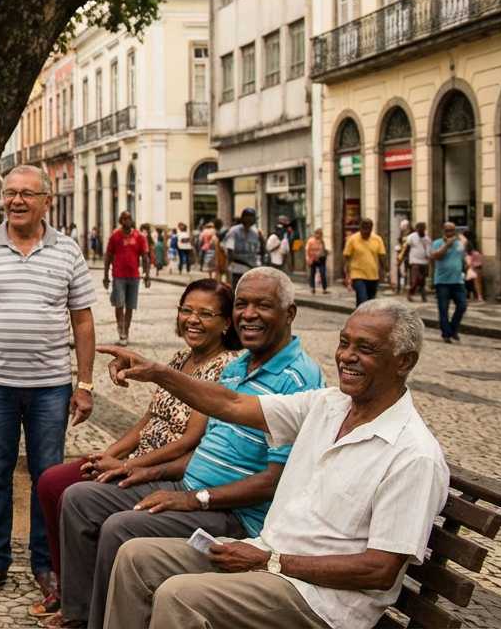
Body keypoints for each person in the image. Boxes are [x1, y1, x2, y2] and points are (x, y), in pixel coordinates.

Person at [103, 300, 447, 629]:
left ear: (404, 362)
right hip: (267, 558)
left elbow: (379, 570)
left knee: (180, 596)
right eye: (344, 343)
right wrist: (158, 373)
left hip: (321, 600)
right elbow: (234, 404)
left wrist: (272, 562)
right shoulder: (329, 404)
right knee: (136, 557)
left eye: (366, 348)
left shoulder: (413, 454)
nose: (347, 356)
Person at [52, 267, 323, 629]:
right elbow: (204, 448)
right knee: (80, 498)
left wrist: (195, 499)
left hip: (236, 513)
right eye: (242, 304)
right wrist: (144, 470)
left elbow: (276, 480)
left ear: (289, 314)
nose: (248, 314)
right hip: (190, 488)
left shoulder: (299, 380)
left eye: (263, 305)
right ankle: (82, 615)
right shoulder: (238, 366)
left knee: (121, 528)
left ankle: (105, 622)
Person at [31, 279, 241, 618]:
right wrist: (109, 455)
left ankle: (82, 607)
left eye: (205, 313)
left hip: (167, 468)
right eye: (186, 310)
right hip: (137, 456)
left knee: (81, 499)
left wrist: (130, 465)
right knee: (52, 482)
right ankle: (69, 586)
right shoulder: (179, 358)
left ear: (226, 322)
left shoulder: (226, 367)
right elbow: (147, 419)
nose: (193, 319)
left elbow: (190, 440)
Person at [0, 164, 95, 603]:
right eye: (10, 192)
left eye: (27, 194)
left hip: (51, 386)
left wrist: (84, 383)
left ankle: (45, 562)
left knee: (46, 476)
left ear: (46, 201)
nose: (16, 201)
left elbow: (83, 320)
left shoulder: (68, 252)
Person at [102, 210, 150, 346]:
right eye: (124, 218)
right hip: (118, 276)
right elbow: (108, 257)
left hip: (134, 276)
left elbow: (145, 256)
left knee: (130, 306)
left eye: (128, 218)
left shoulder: (139, 237)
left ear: (131, 220)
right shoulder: (115, 237)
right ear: (120, 221)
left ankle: (126, 332)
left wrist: (147, 275)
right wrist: (105, 276)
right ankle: (120, 330)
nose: (126, 221)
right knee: (119, 304)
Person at [429, 222, 469, 343]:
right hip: (442, 281)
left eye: (452, 231)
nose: (450, 233)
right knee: (443, 309)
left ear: (455, 232)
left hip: (457, 281)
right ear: (443, 231)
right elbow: (434, 257)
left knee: (462, 305)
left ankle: (453, 328)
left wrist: (469, 264)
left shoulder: (460, 245)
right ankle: (446, 334)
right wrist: (446, 245)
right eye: (447, 231)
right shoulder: (437, 243)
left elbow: (464, 257)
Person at [342, 218, 387, 306]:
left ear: (371, 229)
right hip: (358, 275)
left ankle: (360, 317)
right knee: (363, 299)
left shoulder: (377, 239)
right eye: (363, 229)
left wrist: (385, 270)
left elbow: (382, 256)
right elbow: (345, 256)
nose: (365, 232)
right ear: (360, 227)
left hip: (373, 276)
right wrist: (344, 274)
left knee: (370, 302)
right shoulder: (352, 239)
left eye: (367, 229)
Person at [222, 208, 264, 285]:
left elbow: (259, 251)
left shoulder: (255, 233)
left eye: (251, 217)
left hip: (252, 270)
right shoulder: (234, 231)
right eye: (247, 217)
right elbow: (229, 252)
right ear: (242, 218)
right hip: (238, 269)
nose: (249, 219)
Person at [402, 222, 430, 302]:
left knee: (423, 280)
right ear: (416, 229)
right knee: (416, 279)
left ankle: (423, 296)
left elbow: (428, 249)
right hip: (414, 260)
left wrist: (428, 257)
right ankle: (410, 293)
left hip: (424, 261)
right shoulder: (411, 237)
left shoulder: (426, 239)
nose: (421, 231)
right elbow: (406, 246)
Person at [306, 228, 329, 294]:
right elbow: (308, 250)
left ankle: (324, 288)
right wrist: (309, 258)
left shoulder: (321, 241)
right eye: (317, 233)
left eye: (320, 234)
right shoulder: (311, 241)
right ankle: (313, 288)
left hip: (321, 259)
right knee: (312, 273)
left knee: (322, 273)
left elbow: (323, 249)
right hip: (313, 259)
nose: (318, 235)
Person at [466, 235, 484, 302]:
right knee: (478, 283)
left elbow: (468, 262)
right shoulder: (477, 252)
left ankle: (473, 295)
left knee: (474, 283)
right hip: (477, 268)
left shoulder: (470, 254)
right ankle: (479, 296)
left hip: (473, 268)